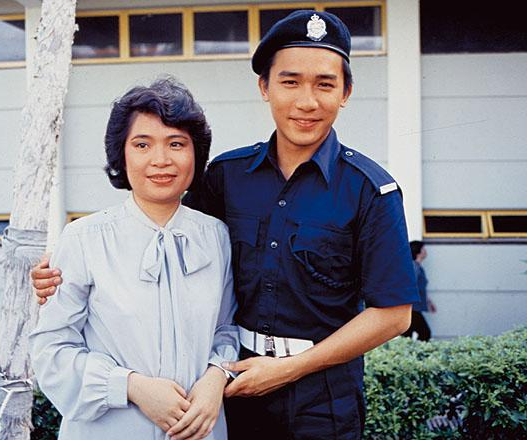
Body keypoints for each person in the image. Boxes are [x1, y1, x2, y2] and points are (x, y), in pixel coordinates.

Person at [32, 10, 419, 439]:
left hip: (320, 399)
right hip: (234, 394)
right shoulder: (227, 177)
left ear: (346, 92)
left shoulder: (370, 190)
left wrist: (287, 369)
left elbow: (394, 316)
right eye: (290, 82)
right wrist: (57, 275)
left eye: (325, 84)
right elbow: (163, 231)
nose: (307, 102)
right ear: (264, 87)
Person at [29, 77, 239, 440]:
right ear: (121, 155)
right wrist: (130, 386)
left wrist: (217, 376)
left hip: (200, 429)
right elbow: (51, 351)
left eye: (176, 144)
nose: (161, 160)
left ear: (196, 154)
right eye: (142, 144)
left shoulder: (216, 237)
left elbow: (226, 329)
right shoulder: (83, 239)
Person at [402, 240, 436, 341]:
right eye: (423, 249)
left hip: (414, 308)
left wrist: (428, 302)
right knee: (425, 333)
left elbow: (420, 287)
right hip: (412, 308)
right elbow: (410, 285)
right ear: (418, 252)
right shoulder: (414, 267)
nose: (425, 251)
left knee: (408, 335)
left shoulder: (418, 267)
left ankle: (407, 350)